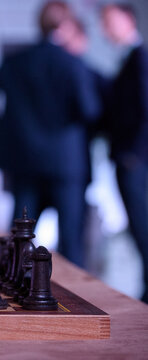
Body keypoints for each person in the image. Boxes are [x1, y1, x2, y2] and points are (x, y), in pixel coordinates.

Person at [0, 1, 101, 267]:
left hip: (24, 160)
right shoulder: (73, 63)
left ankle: (12, 297)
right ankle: (77, 302)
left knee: (20, 241)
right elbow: (90, 110)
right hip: (66, 164)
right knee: (71, 242)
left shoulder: (16, 62)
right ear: (65, 25)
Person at [101, 4, 148, 303]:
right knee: (137, 225)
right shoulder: (127, 58)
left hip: (134, 160)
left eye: (109, 21)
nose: (105, 28)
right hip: (129, 157)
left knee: (141, 225)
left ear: (128, 19)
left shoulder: (140, 58)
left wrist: (134, 154)